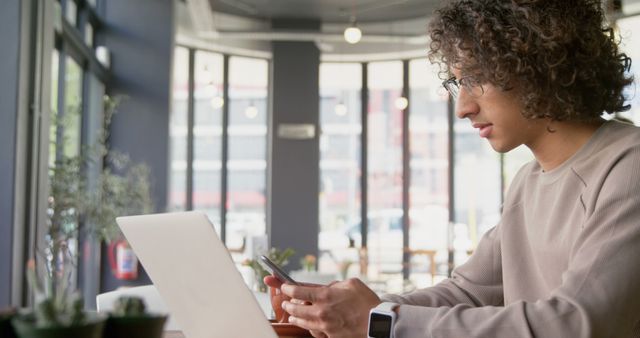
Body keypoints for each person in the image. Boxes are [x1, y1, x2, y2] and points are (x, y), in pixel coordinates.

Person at [266, 0, 640, 337]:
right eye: (459, 83)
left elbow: (579, 324)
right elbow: (466, 293)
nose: (463, 107)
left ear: (540, 65)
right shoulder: (527, 183)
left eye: (476, 79)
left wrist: (378, 320)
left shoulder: (629, 165)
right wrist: (337, 308)